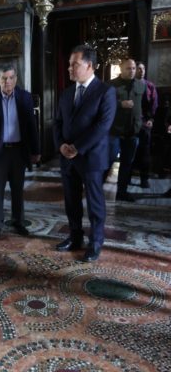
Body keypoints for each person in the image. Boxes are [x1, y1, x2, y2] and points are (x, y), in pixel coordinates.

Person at [53, 45, 116, 262]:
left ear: (89, 66)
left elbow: (103, 125)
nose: (69, 68)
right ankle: (75, 236)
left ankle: (96, 242)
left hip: (91, 157)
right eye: (69, 64)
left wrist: (77, 147)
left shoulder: (105, 92)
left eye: (74, 65)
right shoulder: (66, 93)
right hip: (67, 157)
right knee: (71, 201)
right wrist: (61, 145)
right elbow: (58, 123)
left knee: (95, 202)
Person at [0, 63, 40, 239]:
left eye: (11, 78)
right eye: (4, 78)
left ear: (16, 79)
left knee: (18, 189)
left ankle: (18, 222)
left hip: (19, 151)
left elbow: (31, 127)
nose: (8, 81)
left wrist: (36, 150)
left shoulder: (25, 97)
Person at [109, 58, 146, 202]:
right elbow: (103, 105)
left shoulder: (141, 85)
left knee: (127, 164)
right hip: (114, 131)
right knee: (107, 161)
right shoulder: (111, 85)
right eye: (128, 68)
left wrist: (144, 121)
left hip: (132, 132)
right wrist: (120, 104)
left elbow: (143, 105)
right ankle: (95, 190)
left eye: (133, 68)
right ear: (121, 69)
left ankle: (121, 192)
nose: (132, 71)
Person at [132, 61, 158, 188]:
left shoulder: (149, 86)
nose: (141, 71)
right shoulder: (130, 85)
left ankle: (144, 179)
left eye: (143, 69)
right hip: (131, 122)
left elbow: (154, 104)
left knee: (145, 152)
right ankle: (127, 178)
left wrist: (151, 119)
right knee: (130, 151)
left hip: (145, 123)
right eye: (138, 69)